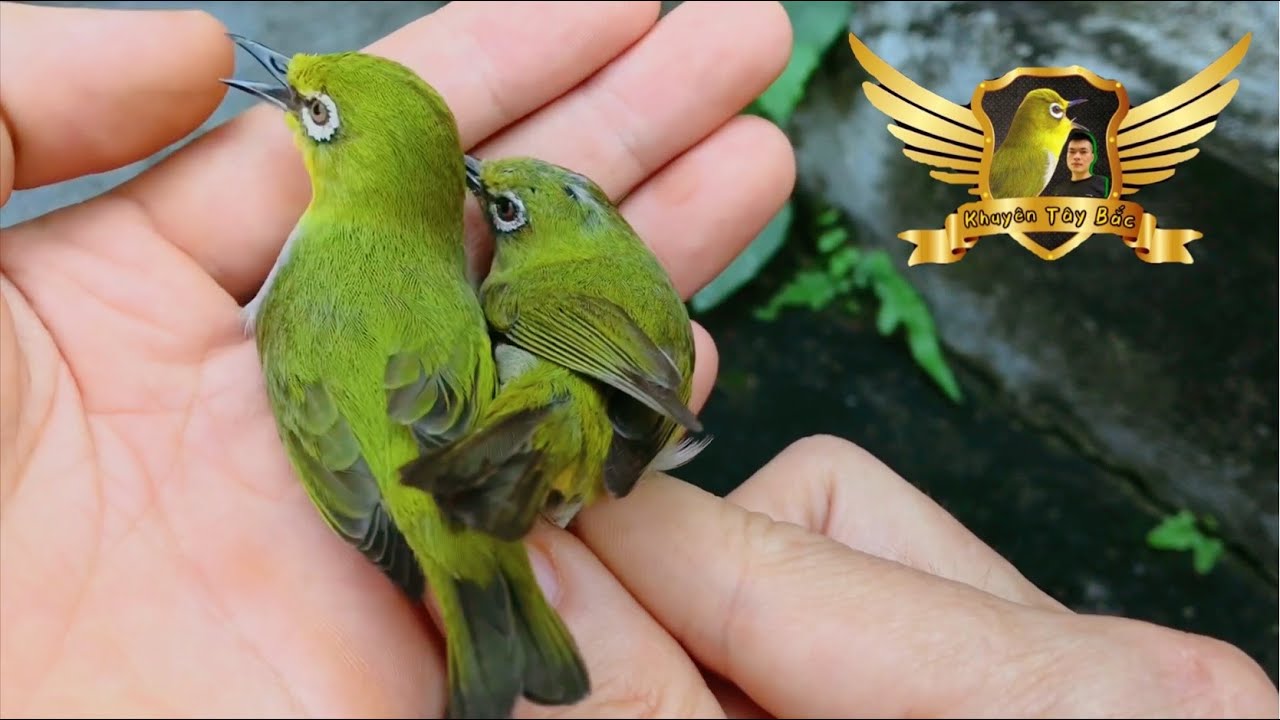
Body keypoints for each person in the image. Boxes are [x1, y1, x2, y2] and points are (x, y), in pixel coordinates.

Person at [0, 3, 1275, 717]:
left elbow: (319, 401)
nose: (284, 90)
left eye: (310, 110)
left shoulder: (323, 281)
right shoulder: (443, 280)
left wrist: (384, 507)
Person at [1048, 129, 1111, 198]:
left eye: (1083, 152)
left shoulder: (1105, 185)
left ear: (1092, 157)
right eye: (1072, 152)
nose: (1076, 157)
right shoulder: (1059, 190)